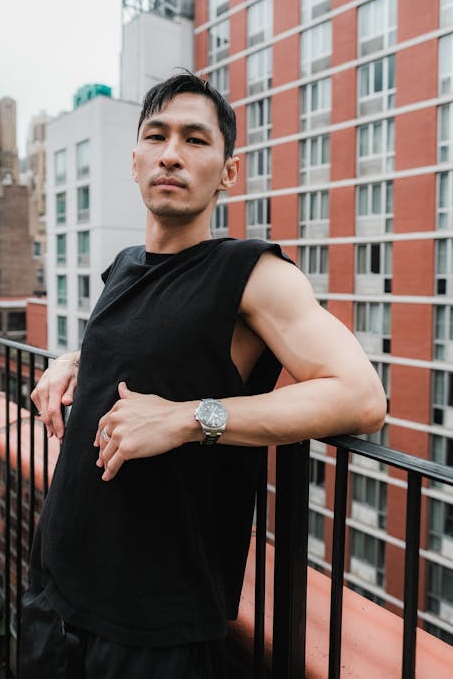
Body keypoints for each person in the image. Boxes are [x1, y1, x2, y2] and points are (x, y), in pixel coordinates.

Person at [20, 72, 387, 678]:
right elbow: (148, 349)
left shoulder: (248, 272)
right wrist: (73, 362)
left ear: (228, 172)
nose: (171, 153)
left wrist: (189, 418)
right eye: (156, 136)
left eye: (195, 139)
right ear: (135, 160)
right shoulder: (124, 268)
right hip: (54, 599)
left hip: (153, 634)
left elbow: (361, 396)